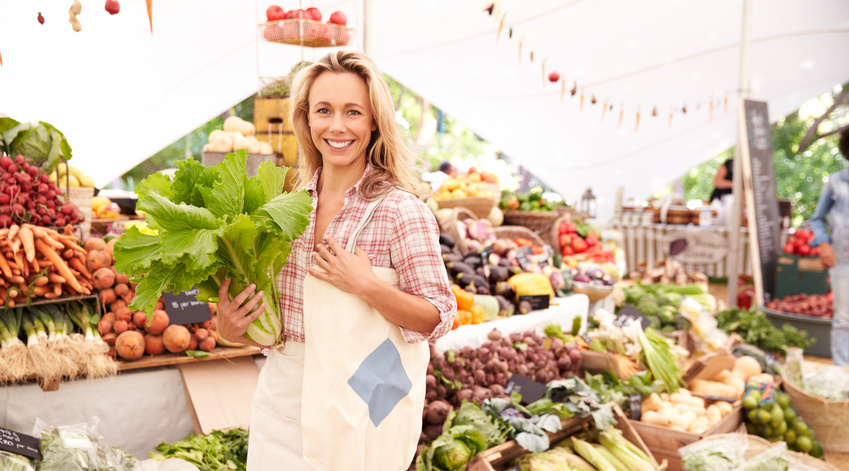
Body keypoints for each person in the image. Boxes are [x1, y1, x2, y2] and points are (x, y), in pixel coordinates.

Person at [216, 51, 457, 469]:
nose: (337, 126)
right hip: (284, 399)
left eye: (353, 112)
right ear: (306, 120)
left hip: (362, 396)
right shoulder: (285, 210)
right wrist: (230, 329)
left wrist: (367, 285)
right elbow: (276, 329)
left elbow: (438, 318)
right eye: (324, 110)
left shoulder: (401, 210)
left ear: (374, 121)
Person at [811, 128, 849, 366]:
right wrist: (823, 243)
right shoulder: (837, 181)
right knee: (844, 319)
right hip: (843, 261)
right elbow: (817, 218)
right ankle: (843, 376)